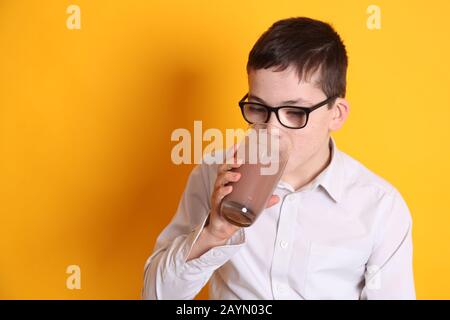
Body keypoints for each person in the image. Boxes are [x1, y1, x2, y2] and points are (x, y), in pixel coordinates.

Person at [142, 17, 415, 300]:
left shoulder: (381, 207)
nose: (272, 130)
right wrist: (214, 232)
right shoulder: (215, 175)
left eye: (295, 113)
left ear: (336, 114)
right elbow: (155, 296)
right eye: (258, 108)